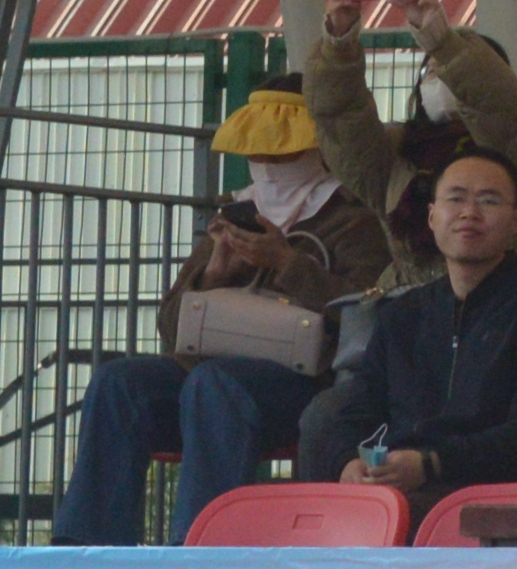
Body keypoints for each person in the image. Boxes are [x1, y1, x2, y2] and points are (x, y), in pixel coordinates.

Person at [54, 78, 395, 544]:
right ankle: (85, 544)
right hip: (204, 381)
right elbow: (170, 328)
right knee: (119, 382)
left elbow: (365, 315)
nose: (269, 166)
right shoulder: (235, 212)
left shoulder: (354, 220)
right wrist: (214, 273)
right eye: (258, 153)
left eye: (283, 154)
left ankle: (199, 546)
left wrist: (287, 264)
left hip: (301, 384)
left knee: (214, 384)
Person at [304, 149, 517, 519]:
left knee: (370, 522)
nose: (469, 212)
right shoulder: (403, 313)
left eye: (489, 200)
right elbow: (359, 409)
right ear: (432, 216)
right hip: (396, 487)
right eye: (456, 199)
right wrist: (346, 464)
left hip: (486, 498)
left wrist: (430, 464)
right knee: (306, 515)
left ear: (516, 221)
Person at [303, 0, 517, 289]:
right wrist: (338, 43)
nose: (440, 81)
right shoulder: (395, 155)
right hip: (406, 306)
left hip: (501, 304)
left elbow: (500, 107)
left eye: (449, 72)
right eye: (432, 73)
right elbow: (340, 116)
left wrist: (440, 39)